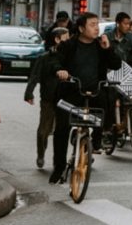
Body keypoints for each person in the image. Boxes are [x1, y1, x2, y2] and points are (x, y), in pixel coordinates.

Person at [48, 12, 122, 184]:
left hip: (94, 93)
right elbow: (55, 61)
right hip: (70, 93)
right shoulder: (68, 45)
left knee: (105, 106)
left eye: (97, 24)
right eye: (92, 24)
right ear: (81, 28)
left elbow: (116, 64)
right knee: (61, 130)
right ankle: (58, 168)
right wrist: (60, 70)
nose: (96, 28)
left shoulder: (100, 46)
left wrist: (108, 48)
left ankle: (97, 140)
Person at [25, 27, 70, 169]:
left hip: (67, 99)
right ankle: (41, 154)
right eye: (66, 38)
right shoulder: (44, 58)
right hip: (48, 98)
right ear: (57, 39)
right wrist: (29, 93)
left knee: (66, 130)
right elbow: (35, 76)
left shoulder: (70, 57)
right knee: (43, 131)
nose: (69, 41)